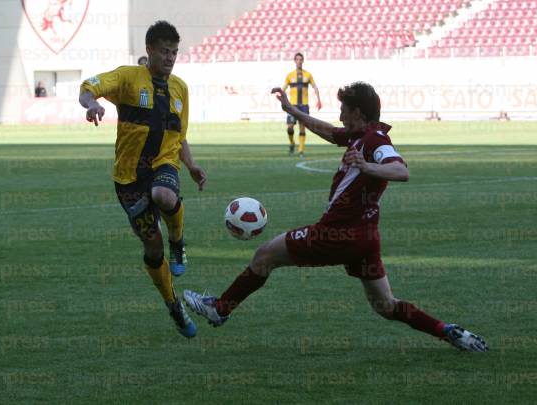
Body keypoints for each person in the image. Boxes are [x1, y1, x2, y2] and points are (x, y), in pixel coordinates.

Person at [184, 82, 489, 352]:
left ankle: (220, 308)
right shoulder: (361, 135)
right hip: (366, 239)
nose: (340, 115)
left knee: (265, 255)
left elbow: (401, 170)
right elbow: (329, 132)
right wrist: (291, 110)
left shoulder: (374, 141)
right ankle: (446, 330)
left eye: (344, 109)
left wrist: (368, 167)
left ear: (357, 112)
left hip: (337, 234)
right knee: (386, 305)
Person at [79, 20, 206, 338]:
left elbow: (180, 136)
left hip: (163, 165)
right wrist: (92, 103)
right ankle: (173, 304)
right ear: (149, 50)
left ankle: (178, 242)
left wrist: (190, 166)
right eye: (165, 51)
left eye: (175, 52)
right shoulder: (127, 77)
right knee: (152, 246)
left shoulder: (181, 89)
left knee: (165, 195)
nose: (170, 58)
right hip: (128, 180)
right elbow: (87, 87)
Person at [281, 52, 322, 157]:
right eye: (297, 59)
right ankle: (291, 143)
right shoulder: (290, 75)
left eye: (300, 59)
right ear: (295, 61)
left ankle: (301, 150)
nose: (299, 61)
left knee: (302, 127)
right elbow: (283, 89)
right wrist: (281, 99)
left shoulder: (308, 75)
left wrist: (319, 99)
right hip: (292, 106)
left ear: (303, 61)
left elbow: (315, 87)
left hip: (304, 106)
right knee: (290, 127)